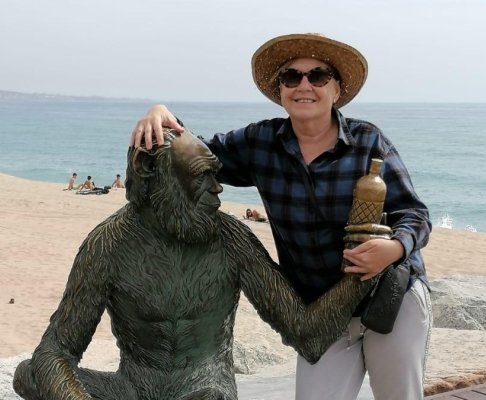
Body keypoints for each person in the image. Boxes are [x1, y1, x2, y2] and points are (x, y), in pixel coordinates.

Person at [130, 33, 432, 400]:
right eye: (292, 77)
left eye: (318, 76)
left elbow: (413, 213)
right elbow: (196, 153)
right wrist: (161, 114)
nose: (304, 85)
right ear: (281, 90)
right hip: (323, 314)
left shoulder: (368, 141)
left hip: (389, 301)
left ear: (336, 89)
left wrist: (396, 248)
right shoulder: (261, 143)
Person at [13, 129, 374, 400]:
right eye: (202, 176)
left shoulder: (230, 239)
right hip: (134, 388)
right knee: (28, 375)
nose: (217, 189)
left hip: (204, 391)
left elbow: (306, 333)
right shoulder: (108, 244)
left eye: (215, 174)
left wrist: (365, 270)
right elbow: (55, 351)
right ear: (153, 173)